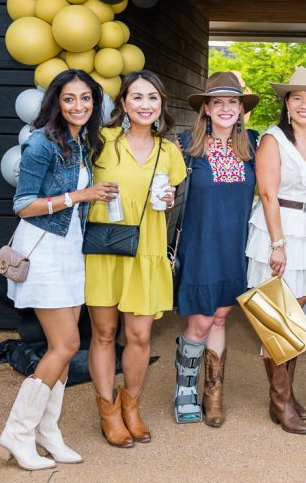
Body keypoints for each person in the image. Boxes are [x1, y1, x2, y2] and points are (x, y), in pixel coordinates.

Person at [0, 69, 116, 470]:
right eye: (69, 98)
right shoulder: (41, 142)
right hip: (44, 250)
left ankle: (47, 432)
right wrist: (80, 195)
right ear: (56, 102)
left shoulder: (81, 142)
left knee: (63, 348)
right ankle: (18, 433)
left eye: (86, 98)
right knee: (65, 345)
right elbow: (22, 204)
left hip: (69, 250)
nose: (78, 106)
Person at [84, 70, 187, 448]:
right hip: (105, 251)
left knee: (140, 336)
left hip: (146, 250)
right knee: (104, 333)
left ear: (162, 104)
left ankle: (131, 406)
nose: (146, 104)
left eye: (153, 97)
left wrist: (168, 201)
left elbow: (167, 201)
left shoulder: (169, 151)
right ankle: (108, 412)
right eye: (138, 97)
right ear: (124, 103)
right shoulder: (100, 141)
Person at [246, 66, 306, 435]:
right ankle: (280, 401)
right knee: (276, 319)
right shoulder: (273, 139)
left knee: (293, 318)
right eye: (296, 97)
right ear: (286, 104)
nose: (304, 104)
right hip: (278, 231)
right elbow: (268, 194)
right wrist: (278, 244)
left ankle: (284, 394)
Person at [172, 72, 260, 426]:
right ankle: (184, 390)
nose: (226, 108)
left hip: (235, 247)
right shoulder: (186, 146)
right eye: (218, 102)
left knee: (221, 318)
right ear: (206, 109)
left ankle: (213, 395)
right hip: (201, 247)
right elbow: (163, 189)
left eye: (232, 102)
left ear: (241, 109)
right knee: (202, 321)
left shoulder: (252, 145)